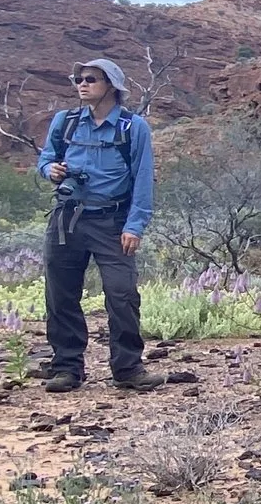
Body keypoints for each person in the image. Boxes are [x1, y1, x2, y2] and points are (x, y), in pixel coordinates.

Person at [36, 58, 168, 392]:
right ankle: (66, 368)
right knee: (60, 293)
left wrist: (134, 226)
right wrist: (49, 170)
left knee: (122, 293)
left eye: (90, 79)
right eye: (78, 78)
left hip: (113, 221)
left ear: (110, 85)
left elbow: (142, 178)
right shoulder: (63, 122)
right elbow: (46, 158)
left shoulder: (132, 127)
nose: (82, 84)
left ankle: (128, 369)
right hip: (67, 217)